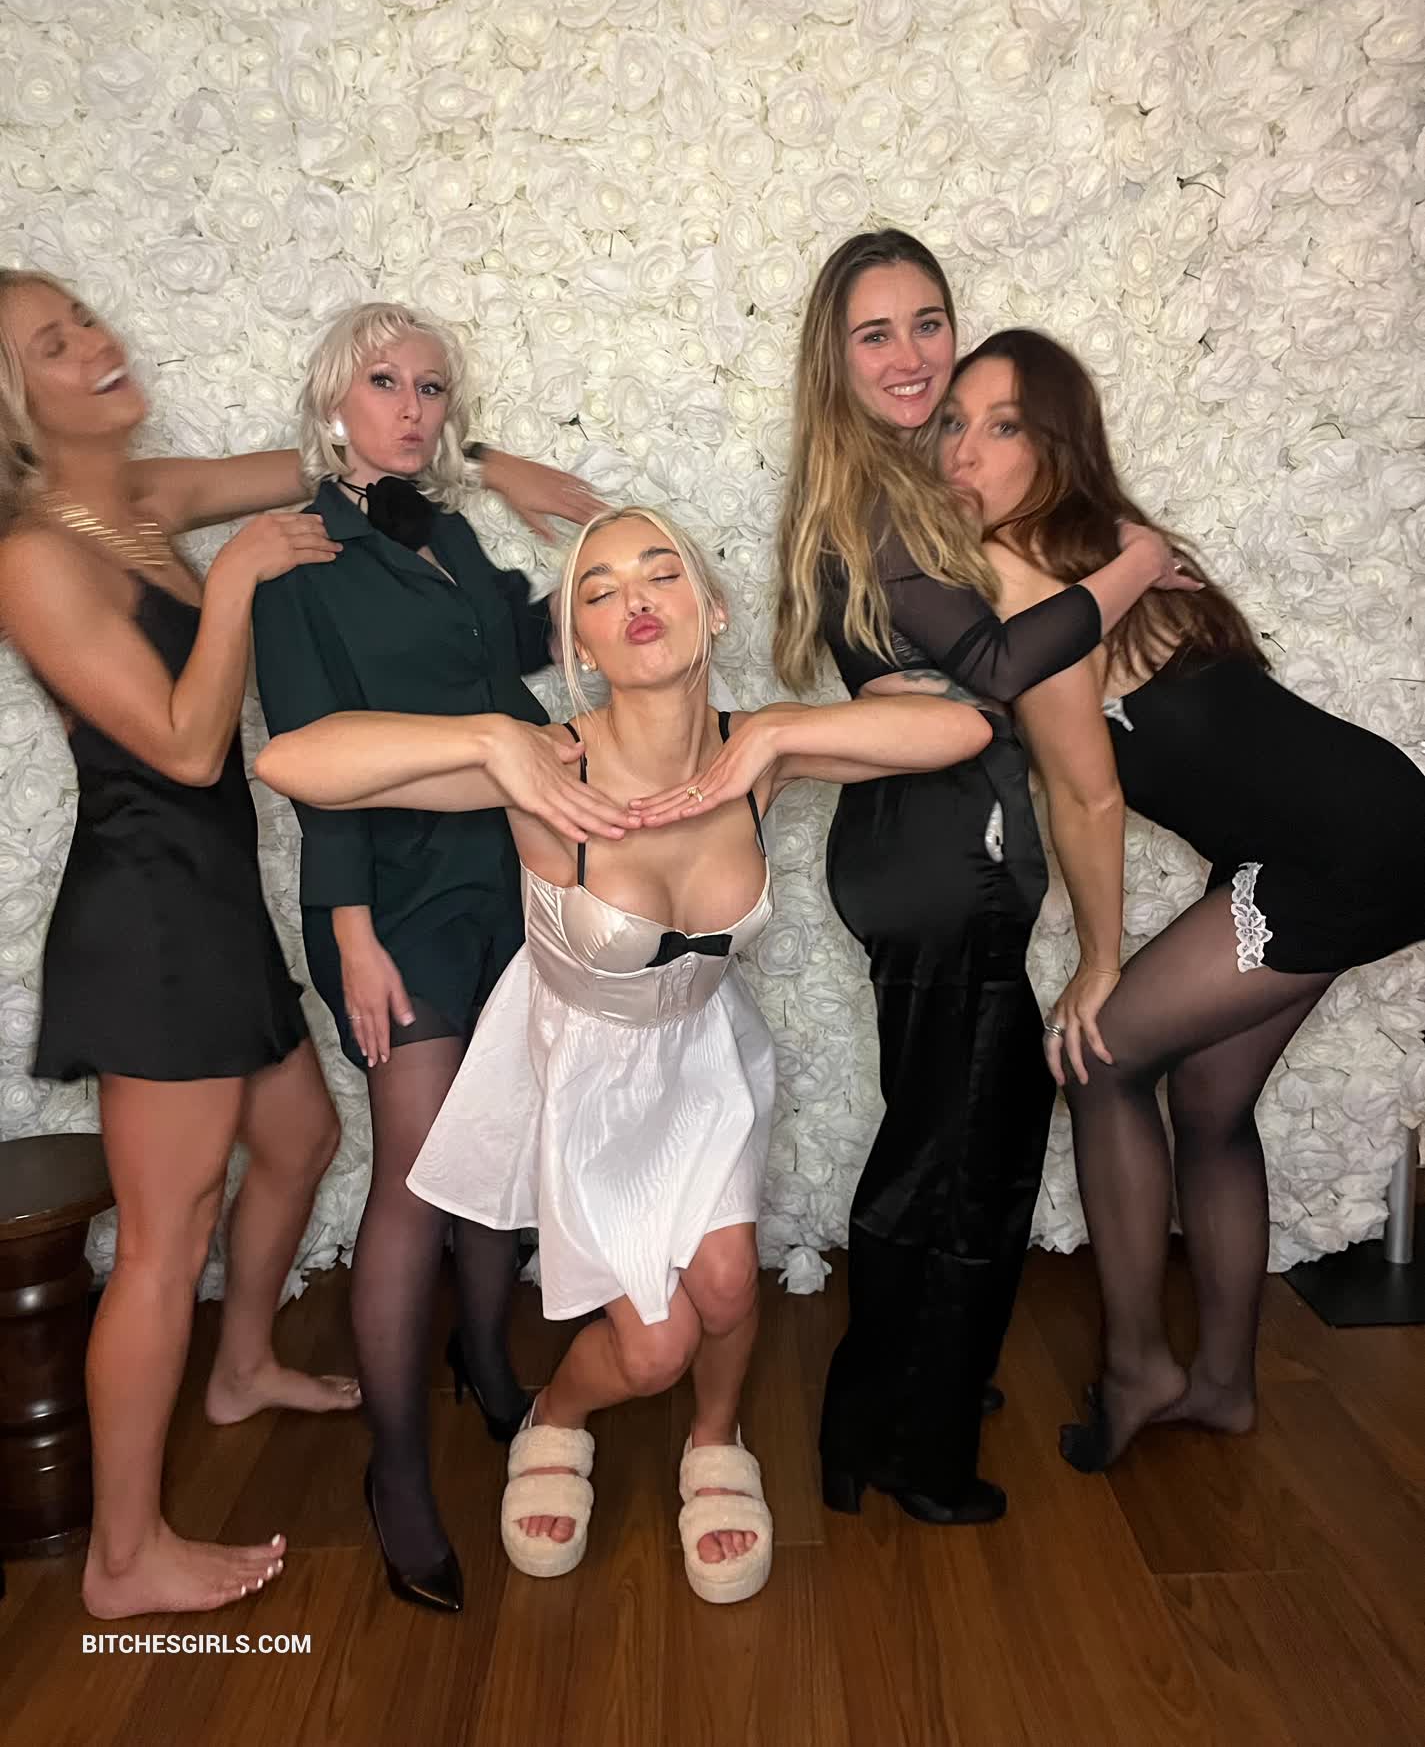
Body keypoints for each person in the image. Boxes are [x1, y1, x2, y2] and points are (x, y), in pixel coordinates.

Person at [255, 504, 993, 1603]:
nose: (636, 601)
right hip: (585, 1077)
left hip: (703, 1057)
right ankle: (557, 1415)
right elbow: (291, 762)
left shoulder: (753, 755)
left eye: (662, 575)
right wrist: (487, 739)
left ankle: (716, 1438)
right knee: (651, 1347)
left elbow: (962, 728)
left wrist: (781, 731)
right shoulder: (544, 766)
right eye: (600, 592)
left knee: (729, 1285)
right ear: (580, 645)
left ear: (712, 610)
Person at [941, 327, 1425, 1470]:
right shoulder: (1103, 554)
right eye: (953, 423)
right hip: (1342, 834)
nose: (963, 450)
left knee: (1100, 1056)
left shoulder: (1036, 575)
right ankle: (1222, 1387)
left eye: (1001, 425)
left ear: (1054, 442)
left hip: (1346, 843)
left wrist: (1099, 960)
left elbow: (1088, 795)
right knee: (1206, 1100)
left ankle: (1139, 1367)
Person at [774, 230, 1195, 1526]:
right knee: (971, 1166)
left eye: (928, 323)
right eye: (876, 333)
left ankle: (886, 1405)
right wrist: (1132, 565)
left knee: (940, 1142)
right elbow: (1007, 665)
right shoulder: (874, 499)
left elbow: (972, 668)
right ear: (835, 361)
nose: (911, 355)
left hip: (923, 856)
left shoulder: (902, 488)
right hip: (936, 862)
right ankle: (917, 1446)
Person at [0, 268, 354, 1619]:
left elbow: (325, 457)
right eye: (54, 343)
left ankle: (242, 1365)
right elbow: (191, 746)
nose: (97, 343)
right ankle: (122, 1556)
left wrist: (482, 458)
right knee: (163, 1239)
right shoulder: (34, 558)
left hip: (211, 899)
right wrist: (243, 578)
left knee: (303, 1135)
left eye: (85, 317)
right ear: (15, 405)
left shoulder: (143, 501)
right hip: (147, 917)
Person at [250, 301, 593, 1615]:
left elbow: (504, 660)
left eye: (431, 387)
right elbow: (312, 760)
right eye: (384, 381)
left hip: (504, 869)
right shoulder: (296, 556)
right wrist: (350, 936)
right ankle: (395, 1470)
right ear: (334, 400)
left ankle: (487, 1361)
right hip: (391, 895)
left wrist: (617, 583)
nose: (410, 406)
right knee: (415, 1171)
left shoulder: (445, 531)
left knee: (499, 1136)